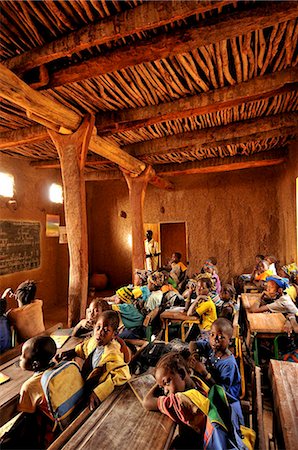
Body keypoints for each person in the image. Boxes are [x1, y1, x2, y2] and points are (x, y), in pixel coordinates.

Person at [59, 310, 131, 410]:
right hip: (86, 380)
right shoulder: (94, 340)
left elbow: (124, 374)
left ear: (114, 335)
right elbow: (84, 348)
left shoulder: (113, 354)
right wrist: (71, 351)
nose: (100, 332)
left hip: (95, 386)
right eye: (98, 327)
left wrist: (98, 392)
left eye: (106, 330)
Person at [143, 351, 209, 449]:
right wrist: (162, 380)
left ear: (182, 374)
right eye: (162, 387)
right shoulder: (197, 381)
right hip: (201, 438)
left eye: (166, 383)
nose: (165, 391)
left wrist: (158, 382)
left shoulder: (181, 401)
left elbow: (146, 402)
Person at [17, 336, 58, 448]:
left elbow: (25, 415)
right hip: (62, 422)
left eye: (23, 356)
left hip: (48, 434)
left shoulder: (29, 386)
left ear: (35, 365)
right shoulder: (57, 367)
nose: (20, 358)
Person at [189, 318, 241, 400]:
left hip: (226, 399)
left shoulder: (229, 364)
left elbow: (221, 391)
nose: (214, 340)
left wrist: (204, 372)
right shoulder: (211, 347)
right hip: (211, 386)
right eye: (212, 334)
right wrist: (196, 358)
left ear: (230, 341)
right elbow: (193, 344)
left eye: (220, 337)